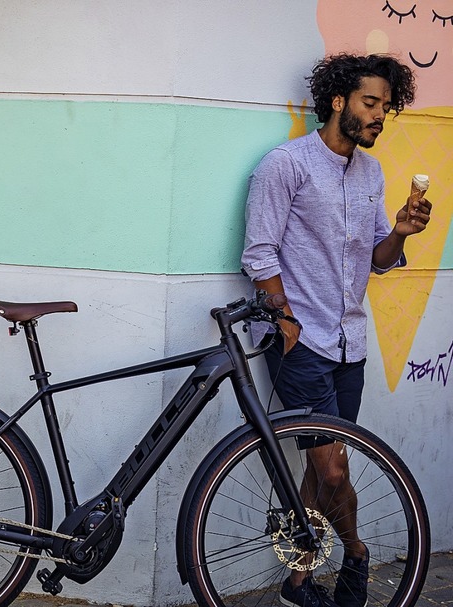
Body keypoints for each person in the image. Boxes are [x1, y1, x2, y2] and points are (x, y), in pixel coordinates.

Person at [241, 54, 431, 607]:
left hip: (351, 341)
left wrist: (399, 232)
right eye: (370, 103)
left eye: (385, 108)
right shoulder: (286, 165)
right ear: (338, 101)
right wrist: (283, 316)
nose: (378, 116)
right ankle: (358, 553)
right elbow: (259, 252)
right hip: (301, 339)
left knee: (321, 472)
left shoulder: (370, 172)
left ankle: (297, 582)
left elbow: (378, 258)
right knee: (335, 463)